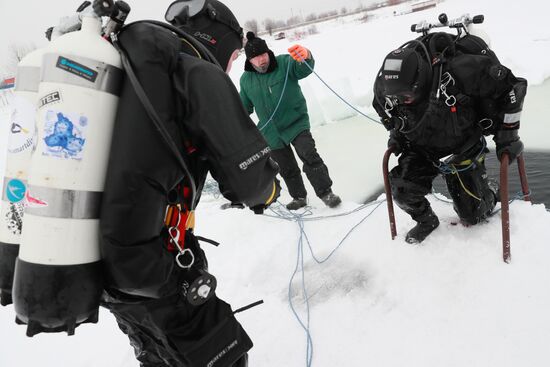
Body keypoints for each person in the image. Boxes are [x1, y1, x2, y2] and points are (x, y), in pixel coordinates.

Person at [99, 1, 280, 366]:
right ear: (219, 40)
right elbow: (248, 180)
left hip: (92, 259)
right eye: (234, 53)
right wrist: (268, 190)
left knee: (156, 349)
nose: (232, 63)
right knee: (218, 354)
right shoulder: (193, 69)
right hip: (153, 259)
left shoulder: (126, 66)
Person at [373, 31, 527, 244]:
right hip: (422, 148)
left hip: (462, 146)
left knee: (474, 216)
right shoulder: (384, 90)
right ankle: (426, 221)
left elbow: (513, 89)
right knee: (401, 192)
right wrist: (396, 134)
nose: (402, 101)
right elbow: (390, 115)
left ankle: (491, 192)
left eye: (406, 96)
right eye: (396, 98)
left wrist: (508, 133)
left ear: (421, 79)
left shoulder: (462, 71)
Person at [239, 32, 342, 210]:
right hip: (271, 132)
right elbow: (244, 107)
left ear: (268, 52)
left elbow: (303, 68)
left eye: (263, 55)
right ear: (249, 61)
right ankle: (299, 197)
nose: (261, 60)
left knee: (309, 155)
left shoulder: (285, 63)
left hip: (296, 122)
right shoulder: (246, 80)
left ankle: (326, 192)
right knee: (286, 167)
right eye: (256, 58)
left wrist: (306, 55)